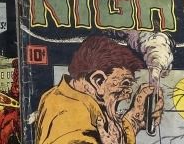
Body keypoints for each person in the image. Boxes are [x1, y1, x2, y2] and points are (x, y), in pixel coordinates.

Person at [35, 36, 163, 144]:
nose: (128, 93)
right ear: (98, 81)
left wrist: (134, 119)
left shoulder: (63, 97)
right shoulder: (72, 115)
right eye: (125, 84)